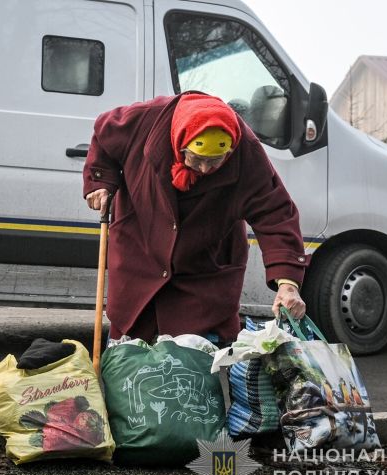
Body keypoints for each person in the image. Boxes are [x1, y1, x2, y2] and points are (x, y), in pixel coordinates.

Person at [83, 91, 307, 344]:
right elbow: (103, 135)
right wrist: (100, 179)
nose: (204, 169)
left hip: (204, 269)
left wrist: (287, 282)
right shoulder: (143, 120)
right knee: (128, 362)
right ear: (179, 142)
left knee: (195, 368)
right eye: (198, 159)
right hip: (141, 249)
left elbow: (275, 213)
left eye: (215, 161)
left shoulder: (247, 152)